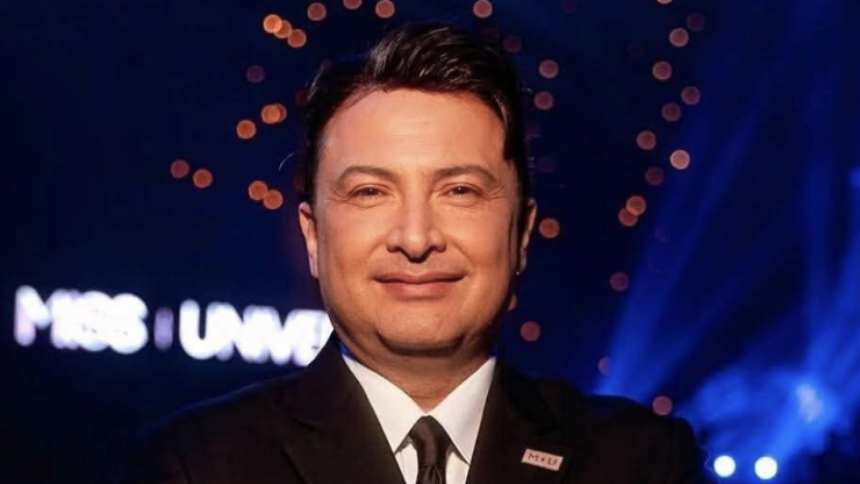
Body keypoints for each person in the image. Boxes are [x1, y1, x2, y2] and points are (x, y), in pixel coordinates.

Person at [118, 23, 712, 484]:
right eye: (370, 193)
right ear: (314, 237)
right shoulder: (196, 465)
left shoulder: (639, 462)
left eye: (460, 191)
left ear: (522, 233)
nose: (416, 237)